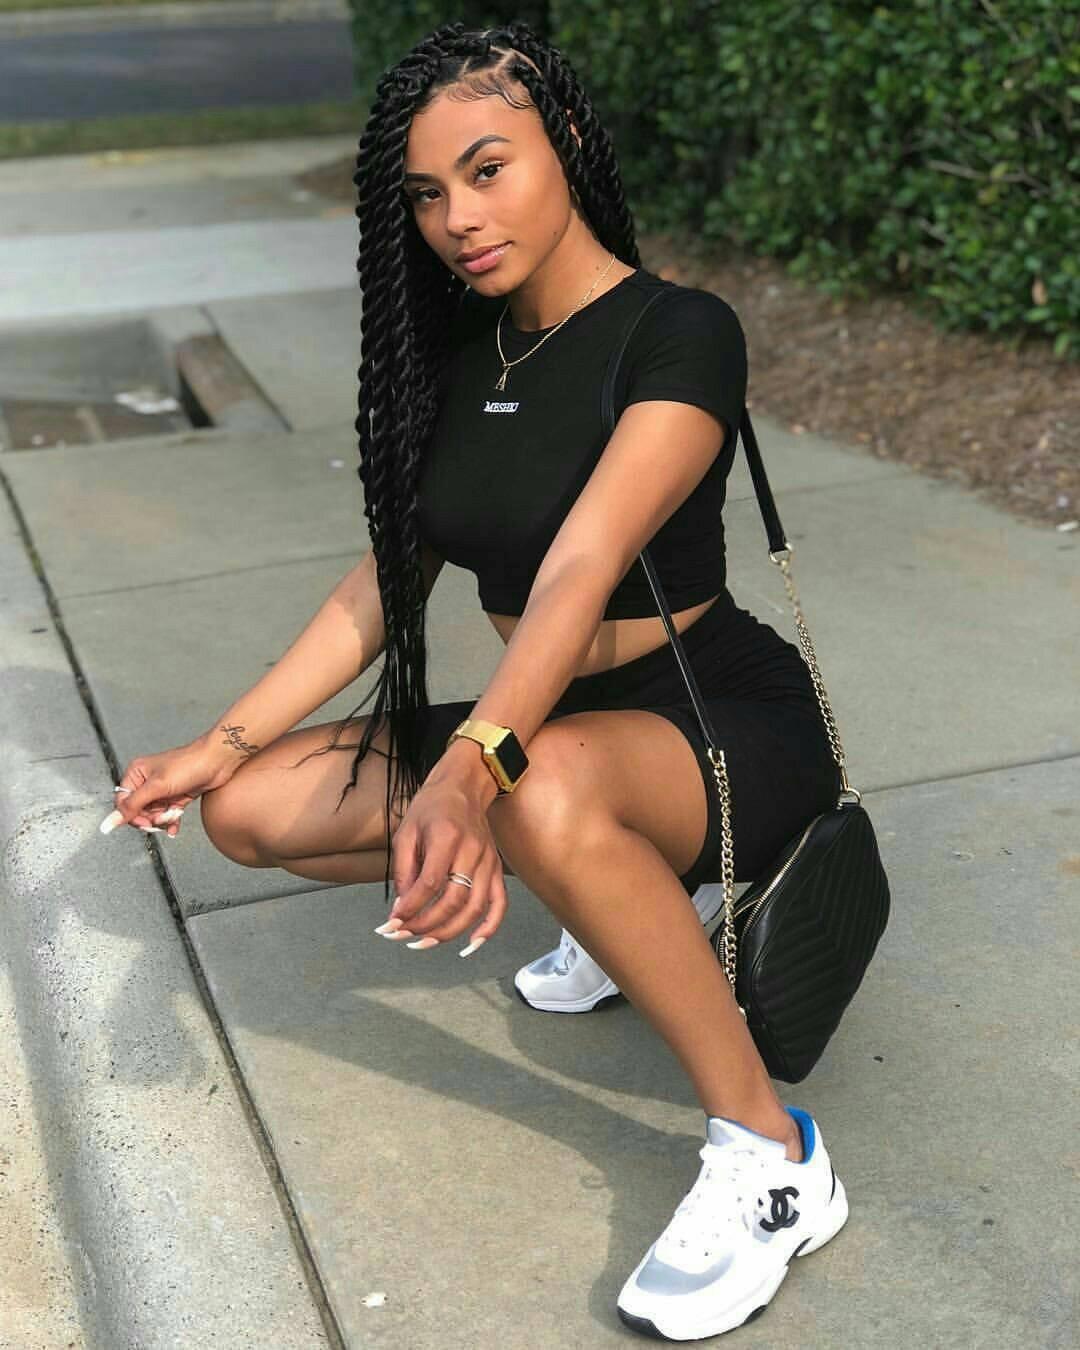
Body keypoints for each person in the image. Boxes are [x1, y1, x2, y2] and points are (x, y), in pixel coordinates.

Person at [103, 21, 849, 1342]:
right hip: (553, 726)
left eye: (489, 169)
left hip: (719, 717)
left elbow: (577, 574)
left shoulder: (680, 333)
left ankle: (773, 1154)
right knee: (254, 814)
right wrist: (222, 743)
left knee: (535, 785)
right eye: (428, 193)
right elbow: (376, 591)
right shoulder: (466, 362)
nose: (458, 218)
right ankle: (611, 886)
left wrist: (467, 773)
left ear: (567, 146)